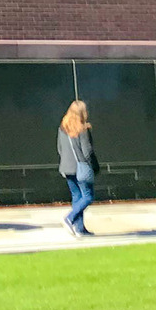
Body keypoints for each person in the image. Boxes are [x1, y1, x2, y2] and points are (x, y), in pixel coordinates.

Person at [58, 99, 99, 237]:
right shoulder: (83, 129)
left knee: (77, 197)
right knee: (88, 197)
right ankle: (69, 218)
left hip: (66, 167)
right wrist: (91, 165)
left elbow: (60, 148)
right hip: (81, 167)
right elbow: (87, 151)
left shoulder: (62, 128)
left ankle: (79, 229)